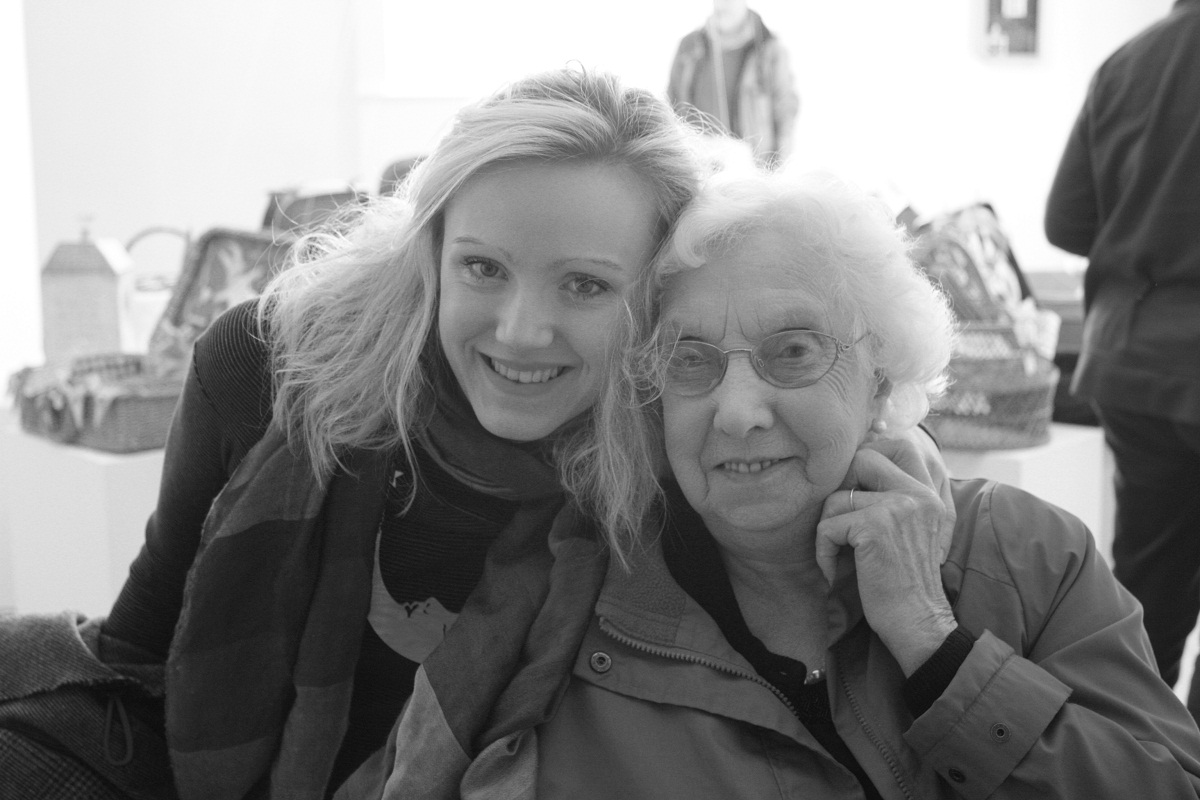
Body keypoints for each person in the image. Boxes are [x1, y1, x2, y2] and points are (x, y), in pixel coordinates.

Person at [0, 71, 949, 800]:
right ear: (430, 254)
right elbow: (144, 657)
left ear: (654, 298)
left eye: (585, 285)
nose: (521, 331)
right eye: (485, 268)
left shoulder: (679, 450)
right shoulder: (270, 371)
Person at [379, 168, 1200, 798]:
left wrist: (935, 647)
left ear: (881, 374)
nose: (738, 412)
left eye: (795, 351)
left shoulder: (1026, 556)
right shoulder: (573, 610)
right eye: (691, 362)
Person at [1044, 0, 1200, 717]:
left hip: (1133, 360)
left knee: (1146, 589)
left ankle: (1131, 758)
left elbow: (1066, 221)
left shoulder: (1127, 63)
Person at [667, 0, 799, 166]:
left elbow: (785, 115)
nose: (724, 4)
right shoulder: (688, 47)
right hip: (698, 169)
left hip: (751, 176)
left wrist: (777, 174)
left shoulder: (771, 50)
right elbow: (670, 111)